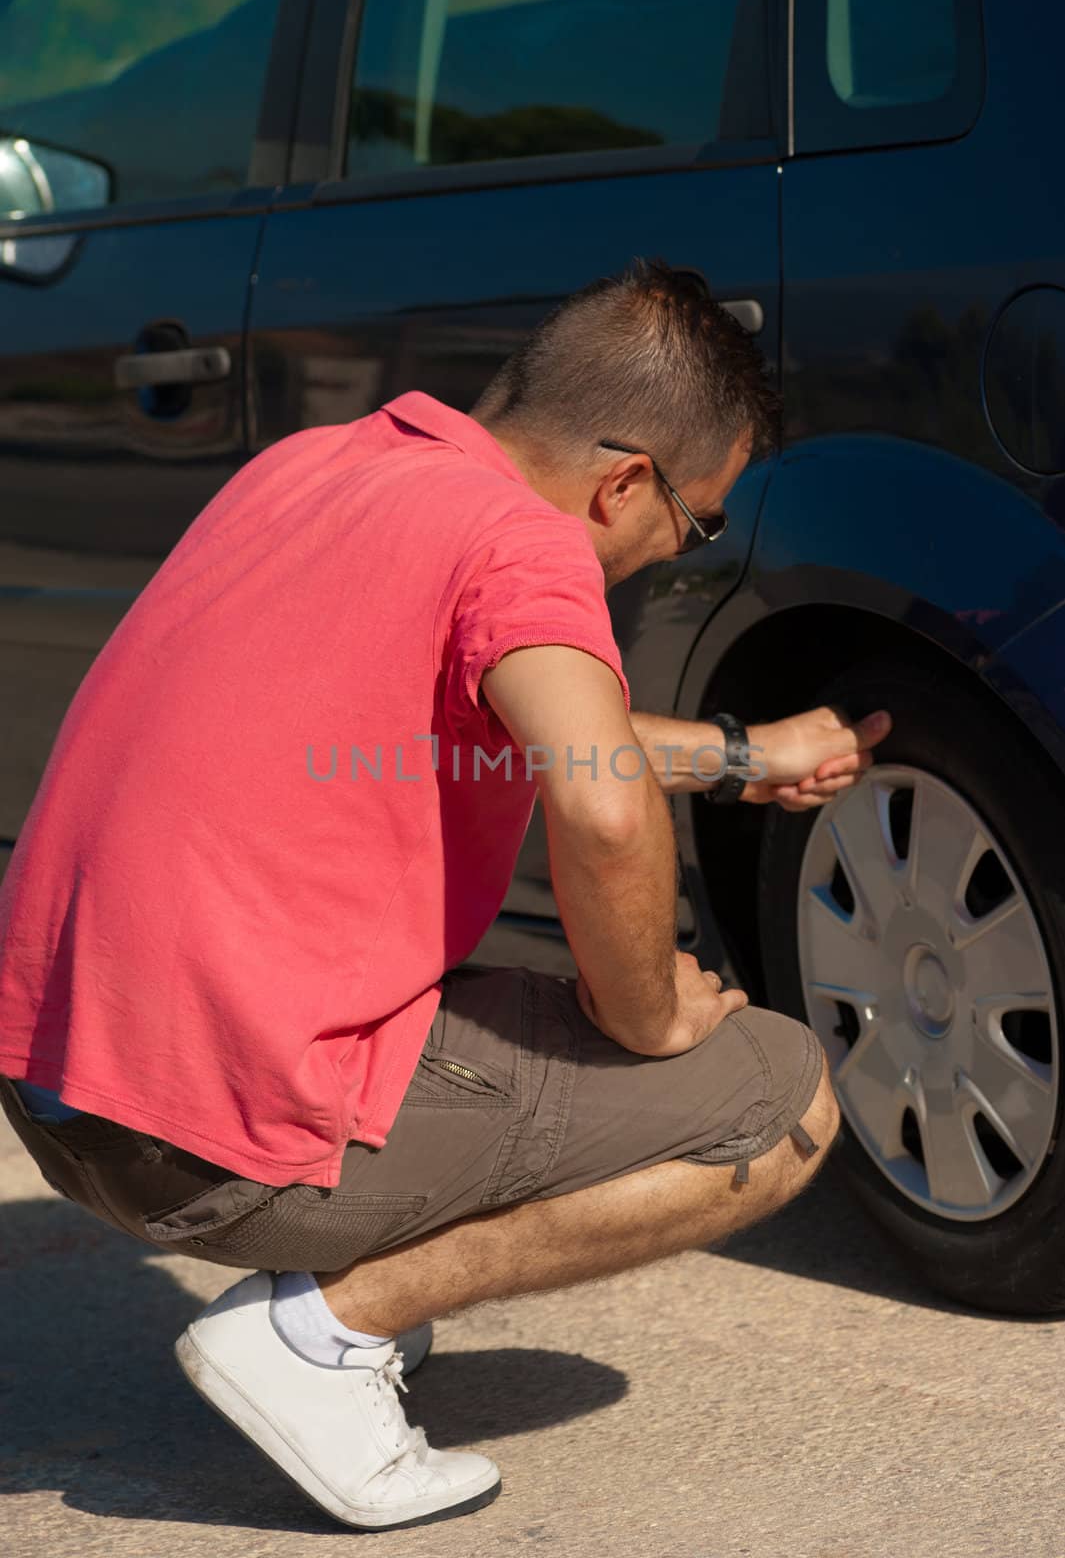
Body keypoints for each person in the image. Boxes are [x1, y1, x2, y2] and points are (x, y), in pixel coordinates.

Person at [0, 260, 888, 1531]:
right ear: (624, 481)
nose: (678, 548)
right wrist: (648, 1017)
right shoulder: (526, 545)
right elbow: (594, 797)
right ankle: (321, 1331)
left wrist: (746, 757)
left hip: (58, 1082)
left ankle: (337, 1289)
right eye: (697, 522)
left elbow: (511, 732)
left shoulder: (321, 465)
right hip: (193, 1141)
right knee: (772, 1095)